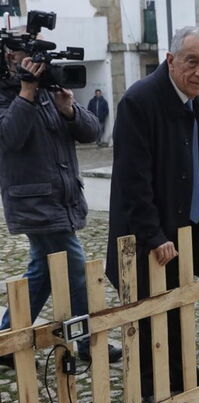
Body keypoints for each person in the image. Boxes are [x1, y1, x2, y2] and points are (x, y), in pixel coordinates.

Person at [106, 26, 199, 400]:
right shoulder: (139, 101)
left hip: (194, 221)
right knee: (150, 306)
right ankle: (153, 387)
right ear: (170, 61)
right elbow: (132, 180)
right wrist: (153, 235)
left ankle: (182, 372)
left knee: (182, 300)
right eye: (192, 62)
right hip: (150, 226)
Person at [0, 37, 121, 368]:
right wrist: (25, 93)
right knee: (77, 269)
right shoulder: (7, 94)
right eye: (32, 59)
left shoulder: (49, 92)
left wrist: (68, 108)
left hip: (62, 197)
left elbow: (91, 131)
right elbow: (9, 138)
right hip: (34, 202)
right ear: (12, 56)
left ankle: (7, 338)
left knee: (42, 271)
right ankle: (86, 342)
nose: (39, 66)